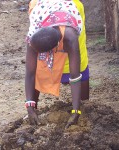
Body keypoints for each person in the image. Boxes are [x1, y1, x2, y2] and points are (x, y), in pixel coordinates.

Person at [25, 0, 89, 128]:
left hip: (67, 13)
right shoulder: (34, 36)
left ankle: (83, 107)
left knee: (80, 68)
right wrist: (30, 107)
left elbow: (75, 76)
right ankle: (33, 110)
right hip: (44, 10)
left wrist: (76, 111)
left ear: (57, 47)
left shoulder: (70, 37)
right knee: (39, 70)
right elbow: (30, 73)